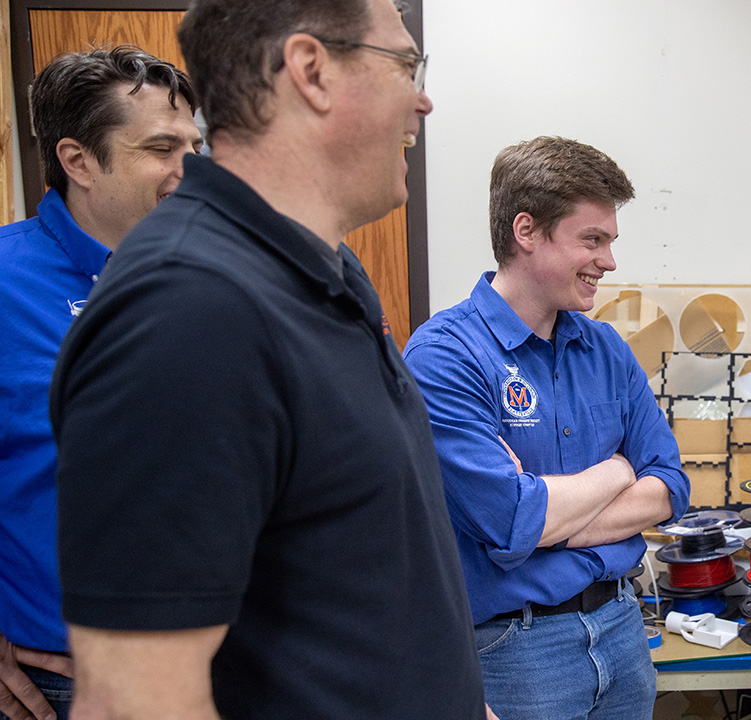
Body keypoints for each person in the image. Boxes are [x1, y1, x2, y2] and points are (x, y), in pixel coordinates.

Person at [48, 1, 486, 718]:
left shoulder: (325, 271)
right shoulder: (189, 309)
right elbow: (135, 703)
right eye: (406, 65)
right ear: (310, 70)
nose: (423, 98)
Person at [402, 136, 690, 720]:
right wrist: (617, 469)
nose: (608, 261)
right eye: (592, 239)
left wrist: (548, 520)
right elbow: (508, 519)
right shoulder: (444, 356)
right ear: (526, 231)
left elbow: (671, 486)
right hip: (514, 650)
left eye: (609, 241)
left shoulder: (605, 347)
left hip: (620, 626)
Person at [0, 46, 200, 720]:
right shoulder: (5, 285)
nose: (189, 171)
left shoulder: (213, 275)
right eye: (162, 148)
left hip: (226, 665)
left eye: (193, 146)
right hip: (65, 682)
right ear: (77, 160)